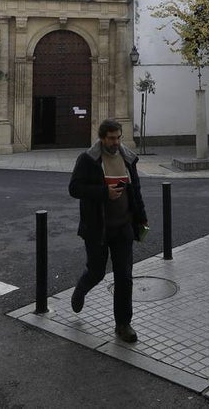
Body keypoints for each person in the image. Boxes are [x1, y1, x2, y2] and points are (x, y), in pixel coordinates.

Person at [68, 119, 148, 343]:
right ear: (102, 138)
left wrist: (141, 218)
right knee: (96, 272)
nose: (115, 142)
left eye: (118, 137)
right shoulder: (88, 159)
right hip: (97, 228)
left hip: (123, 227)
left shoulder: (127, 158)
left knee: (125, 276)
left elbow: (136, 192)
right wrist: (104, 192)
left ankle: (123, 324)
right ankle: (81, 289)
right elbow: (74, 188)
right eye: (111, 138)